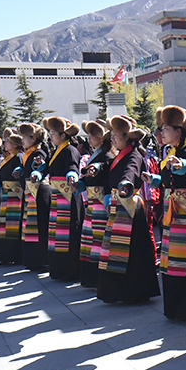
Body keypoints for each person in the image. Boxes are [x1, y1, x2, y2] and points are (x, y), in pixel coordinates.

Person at [142, 106, 186, 319]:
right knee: (171, 259)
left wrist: (183, 167)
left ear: (178, 131)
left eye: (166, 128)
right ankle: (175, 306)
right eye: (161, 128)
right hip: (172, 210)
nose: (161, 133)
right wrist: (154, 180)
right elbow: (168, 180)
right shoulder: (169, 152)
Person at [96, 115, 160, 305]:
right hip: (119, 206)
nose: (112, 138)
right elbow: (110, 171)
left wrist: (126, 184)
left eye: (116, 135)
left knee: (132, 251)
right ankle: (121, 291)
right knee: (118, 250)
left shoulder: (134, 155)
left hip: (131, 206)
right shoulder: (120, 155)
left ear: (127, 137)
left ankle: (135, 290)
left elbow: (130, 172)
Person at [38, 117, 83, 281]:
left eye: (53, 133)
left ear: (63, 135)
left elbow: (72, 166)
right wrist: (38, 171)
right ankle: (58, 269)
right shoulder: (56, 150)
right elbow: (47, 166)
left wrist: (71, 175)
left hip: (67, 196)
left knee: (68, 232)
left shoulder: (70, 150)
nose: (50, 137)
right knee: (57, 233)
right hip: (57, 197)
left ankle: (69, 270)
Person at [75, 119, 110, 289]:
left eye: (93, 135)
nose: (89, 138)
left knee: (98, 239)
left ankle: (99, 277)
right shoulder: (95, 153)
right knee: (90, 239)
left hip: (100, 203)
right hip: (91, 202)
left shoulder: (107, 155)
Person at [19, 122, 51, 271]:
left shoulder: (38, 153)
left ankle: (41, 259)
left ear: (33, 138)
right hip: (30, 192)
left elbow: (40, 167)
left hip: (39, 192)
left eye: (25, 137)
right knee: (31, 226)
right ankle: (33, 259)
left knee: (39, 225)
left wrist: (36, 170)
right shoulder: (28, 153)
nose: (22, 140)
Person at [0, 132, 24, 265]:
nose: (5, 144)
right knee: (4, 225)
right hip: (6, 194)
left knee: (13, 225)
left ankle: (14, 255)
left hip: (15, 195)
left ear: (15, 144)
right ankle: (5, 254)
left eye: (8, 142)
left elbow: (21, 169)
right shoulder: (6, 158)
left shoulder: (19, 156)